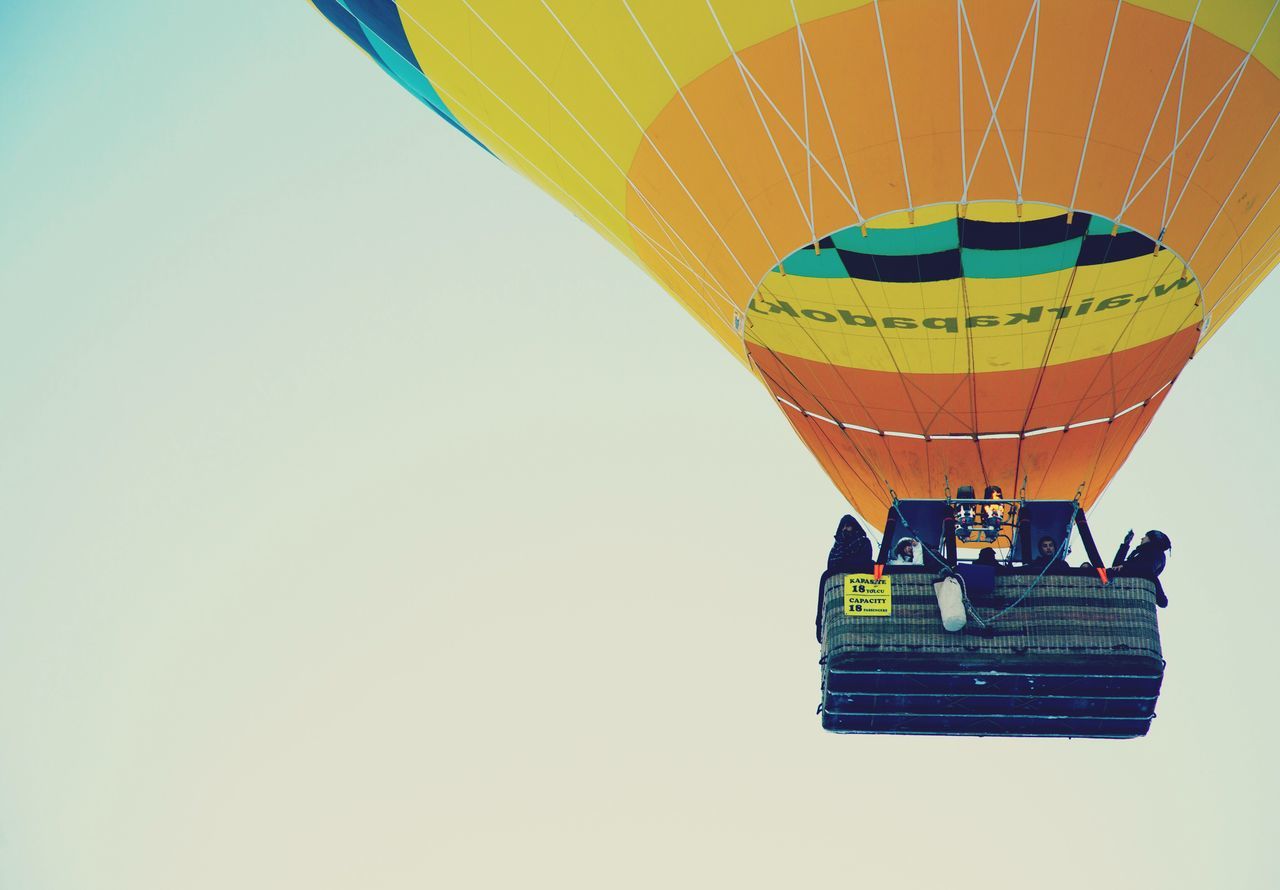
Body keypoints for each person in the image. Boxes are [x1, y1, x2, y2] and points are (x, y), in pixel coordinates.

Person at [817, 515, 873, 642]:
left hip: (861, 590)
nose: (845, 529)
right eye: (843, 527)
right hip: (843, 591)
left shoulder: (863, 542)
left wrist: (845, 564)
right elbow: (831, 565)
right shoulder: (837, 547)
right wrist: (841, 544)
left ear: (854, 526)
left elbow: (864, 562)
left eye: (848, 526)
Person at [1113, 530, 1172, 607]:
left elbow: (1147, 569)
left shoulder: (1157, 553)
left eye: (1145, 536)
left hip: (1132, 585)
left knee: (1098, 573)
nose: (1142, 538)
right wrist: (1125, 545)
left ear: (1152, 539)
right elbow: (1116, 566)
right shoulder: (1142, 553)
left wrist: (1125, 567)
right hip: (1123, 583)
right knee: (1101, 573)